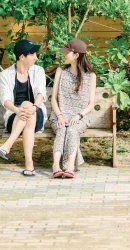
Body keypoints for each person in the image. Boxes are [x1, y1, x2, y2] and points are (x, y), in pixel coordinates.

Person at [0, 39, 47, 177]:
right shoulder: (6, 74)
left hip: (36, 113)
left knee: (27, 106)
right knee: (26, 110)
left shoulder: (38, 71)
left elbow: (41, 93)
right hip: (14, 117)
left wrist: (34, 107)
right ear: (22, 57)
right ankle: (29, 163)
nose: (36, 57)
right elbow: (5, 99)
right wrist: (17, 111)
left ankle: (7, 146)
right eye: (32, 54)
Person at [49, 38, 97, 179]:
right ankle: (56, 166)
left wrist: (79, 115)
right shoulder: (61, 71)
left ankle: (69, 167)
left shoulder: (91, 76)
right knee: (62, 129)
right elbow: (53, 98)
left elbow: (91, 103)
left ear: (76, 55)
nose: (64, 54)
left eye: (67, 52)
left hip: (81, 116)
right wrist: (60, 116)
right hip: (59, 114)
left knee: (72, 130)